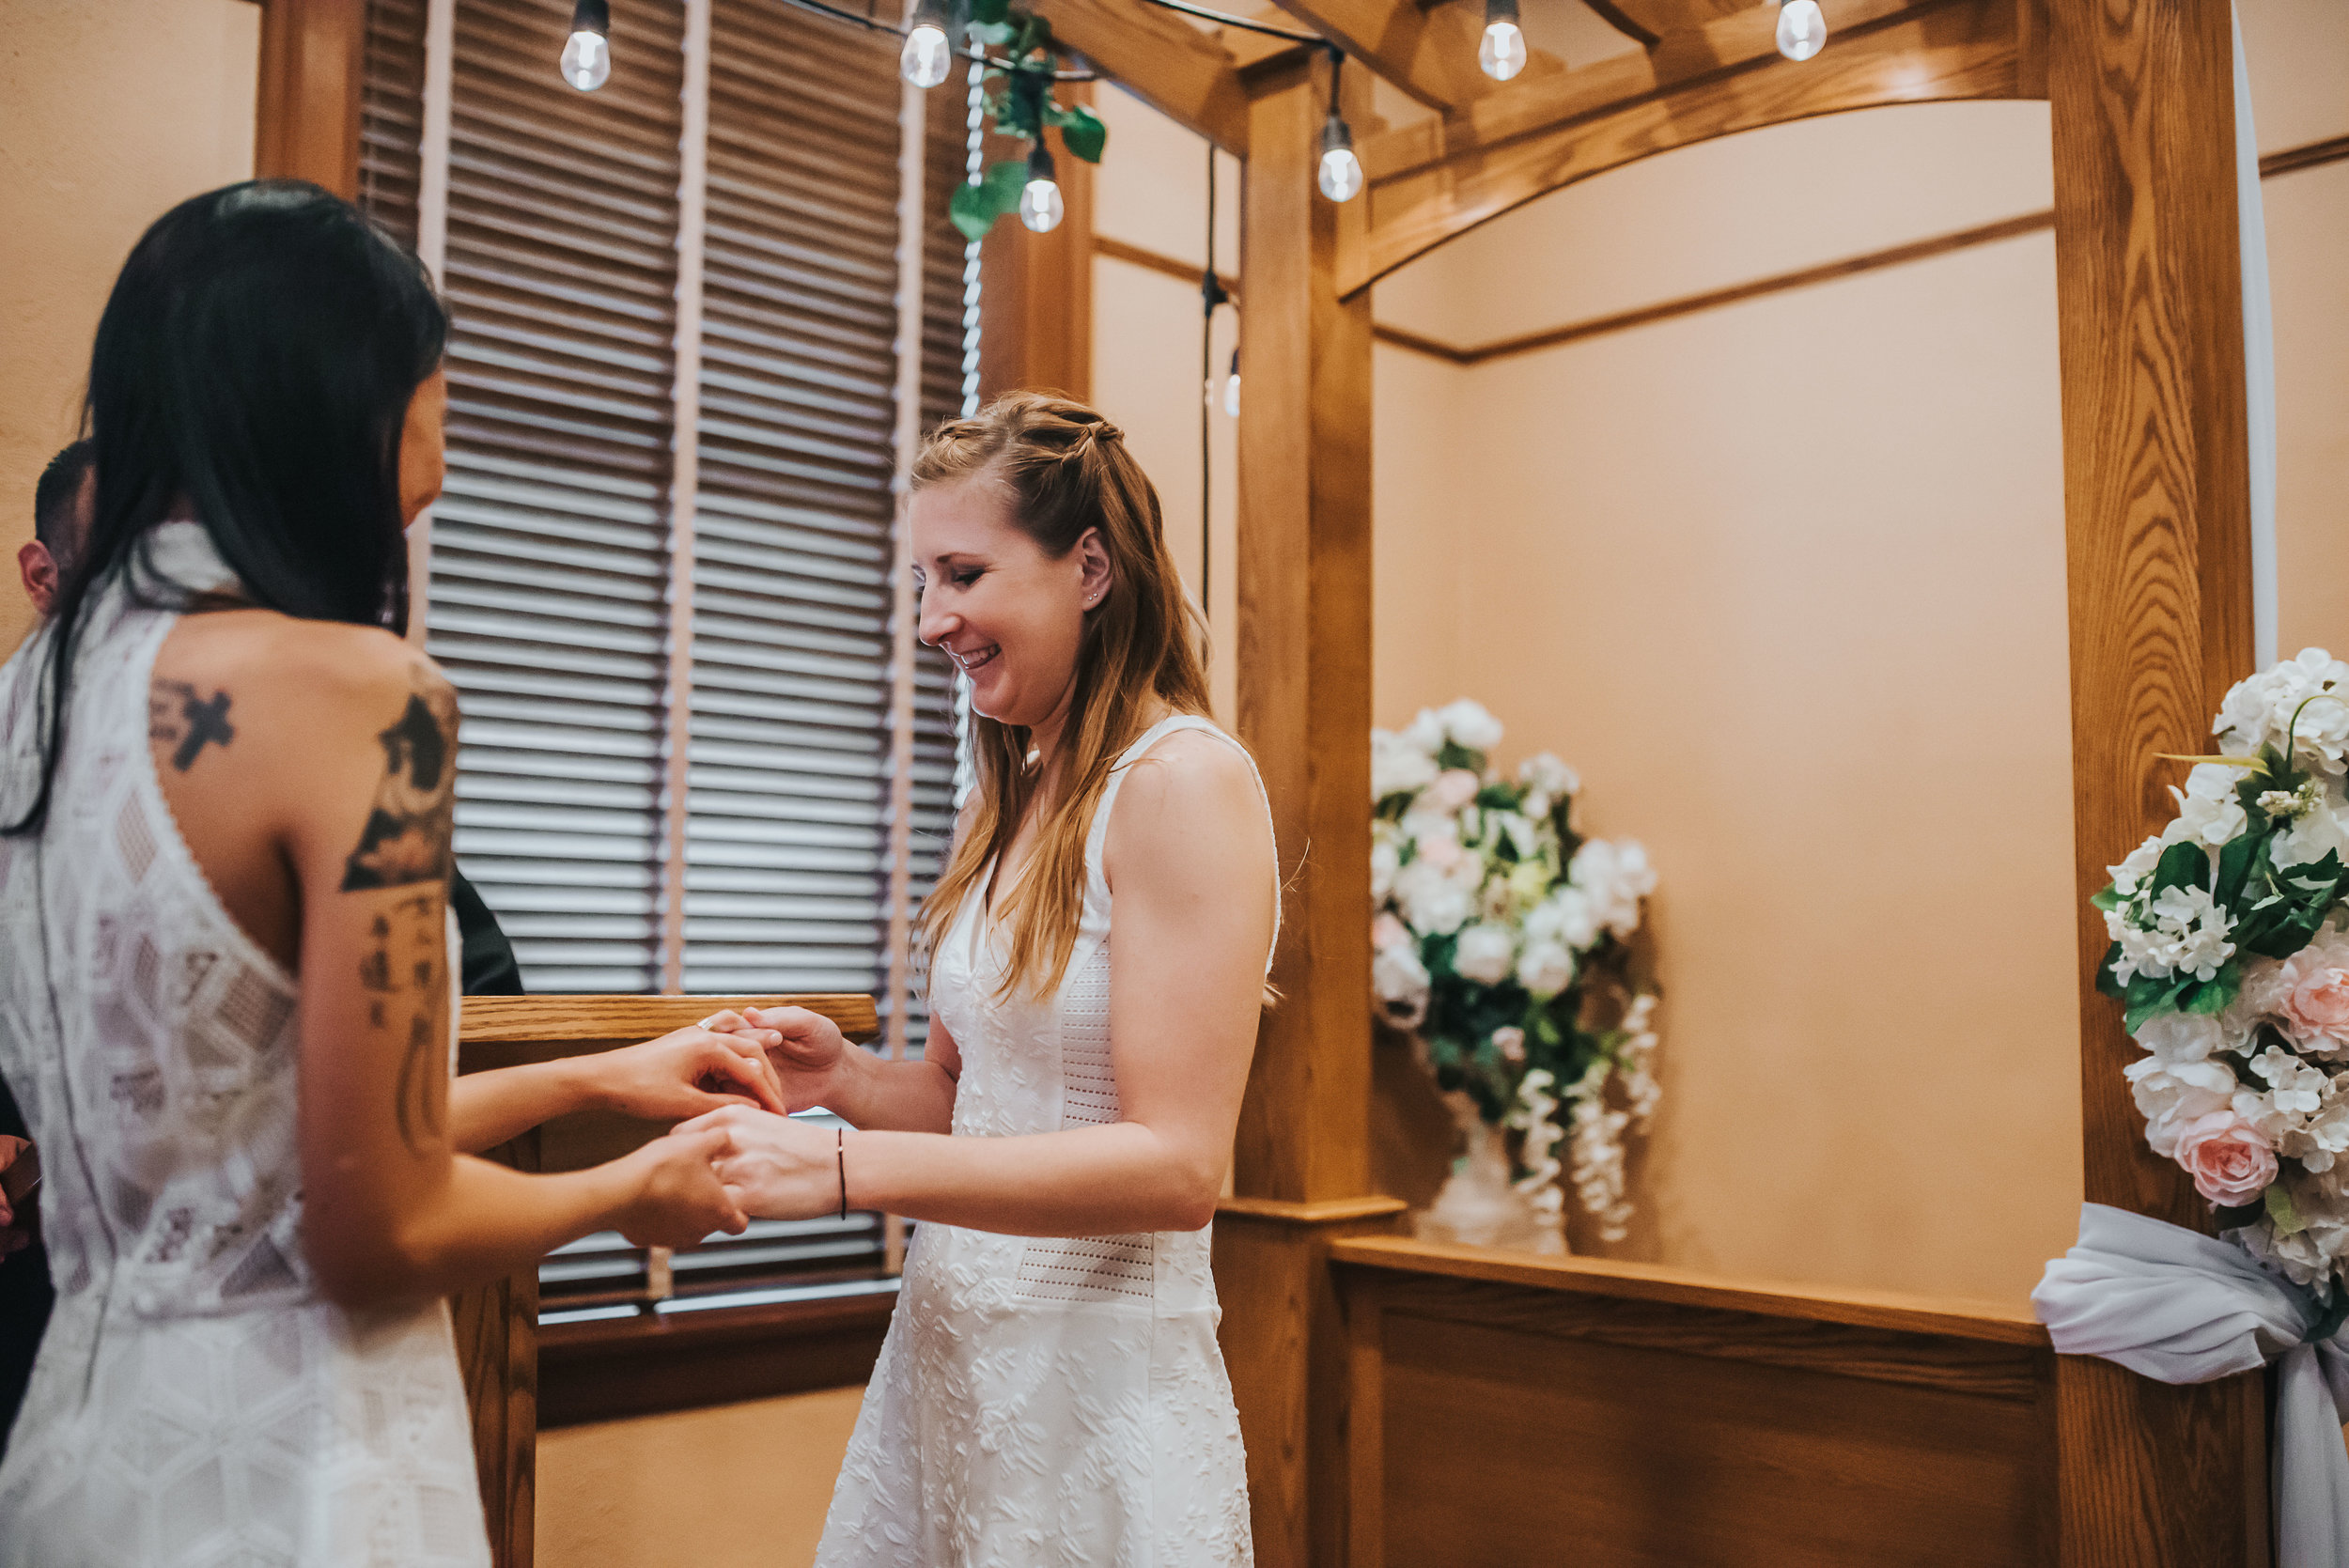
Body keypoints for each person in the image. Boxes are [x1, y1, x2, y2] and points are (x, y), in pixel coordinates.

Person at [0, 181, 788, 1566]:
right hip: (298, 1457)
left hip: (82, 1443)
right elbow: (378, 1228)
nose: (440, 460)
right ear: (344, 400)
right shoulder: (360, 694)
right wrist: (633, 1190)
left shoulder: (36, 697)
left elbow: (262, 1150)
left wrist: (602, 1076)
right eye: (435, 396)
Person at [684, 393, 1280, 1566]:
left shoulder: (1182, 784)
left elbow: (1177, 1164)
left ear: (1090, 569)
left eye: (961, 572)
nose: (929, 619)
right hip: (953, 1375)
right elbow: (975, 1107)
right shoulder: (1000, 802)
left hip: (1096, 1398)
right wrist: (848, 1080)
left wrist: (844, 1171)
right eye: (922, 581)